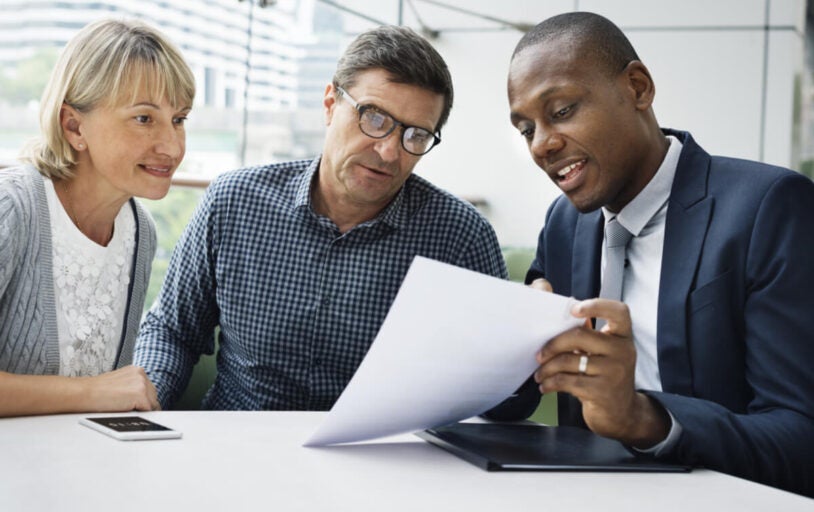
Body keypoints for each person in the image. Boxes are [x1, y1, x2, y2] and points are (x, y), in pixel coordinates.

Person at [491, 11, 814, 496]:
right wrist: (502, 352)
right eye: (525, 130)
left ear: (638, 88)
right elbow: (520, 397)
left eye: (561, 111)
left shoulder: (768, 207)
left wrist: (644, 418)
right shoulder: (563, 224)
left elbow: (801, 438)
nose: (542, 145)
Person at [134, 25, 507, 411]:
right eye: (374, 118)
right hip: (235, 447)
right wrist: (144, 404)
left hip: (380, 461)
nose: (389, 151)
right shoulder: (234, 202)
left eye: (415, 136)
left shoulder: (460, 236)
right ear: (331, 103)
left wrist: (525, 353)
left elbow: (499, 392)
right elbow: (172, 332)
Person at [0, 18, 195, 416]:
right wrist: (91, 394)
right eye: (144, 119)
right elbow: (104, 393)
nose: (172, 147)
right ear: (74, 126)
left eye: (178, 120)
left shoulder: (140, 233)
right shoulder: (11, 209)